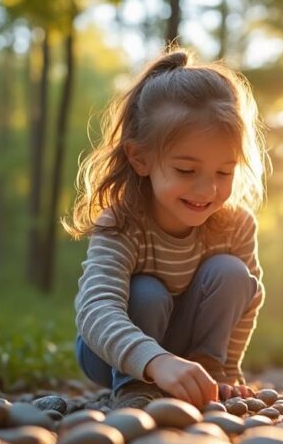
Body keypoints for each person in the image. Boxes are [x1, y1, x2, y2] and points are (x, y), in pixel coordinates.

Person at [66, 49, 268, 409]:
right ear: (140, 158)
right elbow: (95, 308)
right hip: (113, 352)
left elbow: (247, 303)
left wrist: (228, 371)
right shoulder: (122, 222)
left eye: (224, 172)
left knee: (233, 274)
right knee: (147, 293)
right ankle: (132, 388)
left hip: (184, 349)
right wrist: (154, 361)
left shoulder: (235, 225)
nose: (207, 190)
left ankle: (207, 373)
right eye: (186, 171)